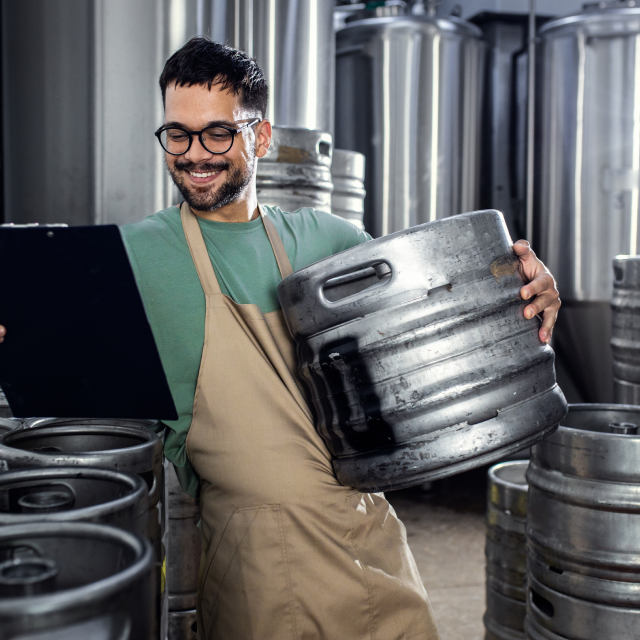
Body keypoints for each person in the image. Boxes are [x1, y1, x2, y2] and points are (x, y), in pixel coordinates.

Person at [8, 37, 560, 640]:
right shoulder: (130, 260)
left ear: (261, 137)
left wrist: (525, 286)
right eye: (178, 134)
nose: (195, 154)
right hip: (255, 567)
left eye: (219, 133)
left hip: (367, 538)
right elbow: (52, 372)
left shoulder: (330, 241)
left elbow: (443, 311)